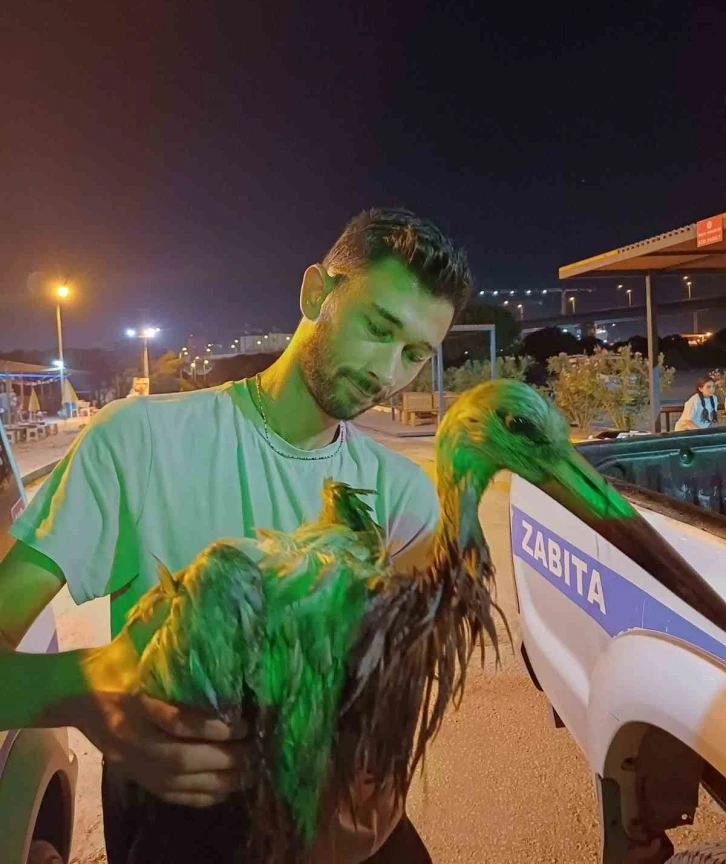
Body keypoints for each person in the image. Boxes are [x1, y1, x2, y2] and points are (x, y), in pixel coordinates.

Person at [0, 207, 472, 864]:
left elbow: (388, 713)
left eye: (415, 354)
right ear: (316, 293)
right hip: (176, 825)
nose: (389, 371)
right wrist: (85, 697)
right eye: (377, 327)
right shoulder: (138, 441)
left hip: (337, 830)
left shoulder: (401, 496)